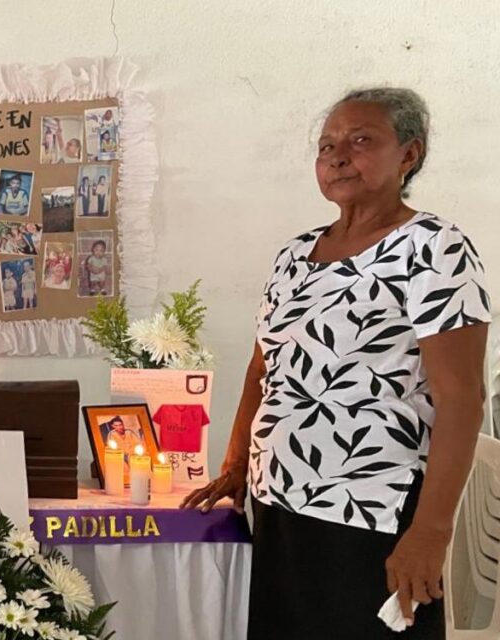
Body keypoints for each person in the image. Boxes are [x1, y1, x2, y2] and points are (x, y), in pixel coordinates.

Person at [182, 88, 490, 640]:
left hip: (372, 510)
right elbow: (263, 370)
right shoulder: (293, 254)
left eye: (361, 140)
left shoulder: (433, 248)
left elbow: (462, 397)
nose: (337, 156)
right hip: (279, 503)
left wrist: (430, 533)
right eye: (326, 146)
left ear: (409, 155)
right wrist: (234, 468)